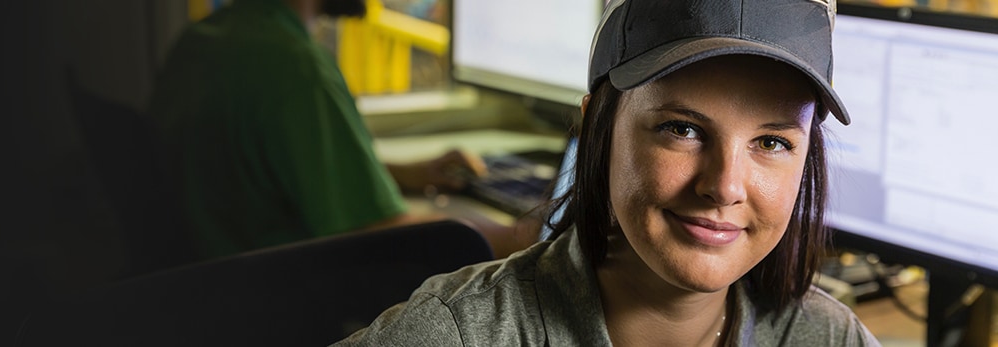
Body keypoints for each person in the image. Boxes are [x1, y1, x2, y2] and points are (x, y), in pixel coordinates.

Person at [334, 0, 883, 345]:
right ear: (598, 126)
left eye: (771, 141)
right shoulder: (460, 333)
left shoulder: (825, 336)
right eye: (682, 129)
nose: (724, 186)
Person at [147, 0, 532, 261]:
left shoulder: (203, 39)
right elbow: (383, 235)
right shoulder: (294, 66)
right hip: (274, 300)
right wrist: (523, 236)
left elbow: (275, 168)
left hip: (211, 282)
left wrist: (406, 174)